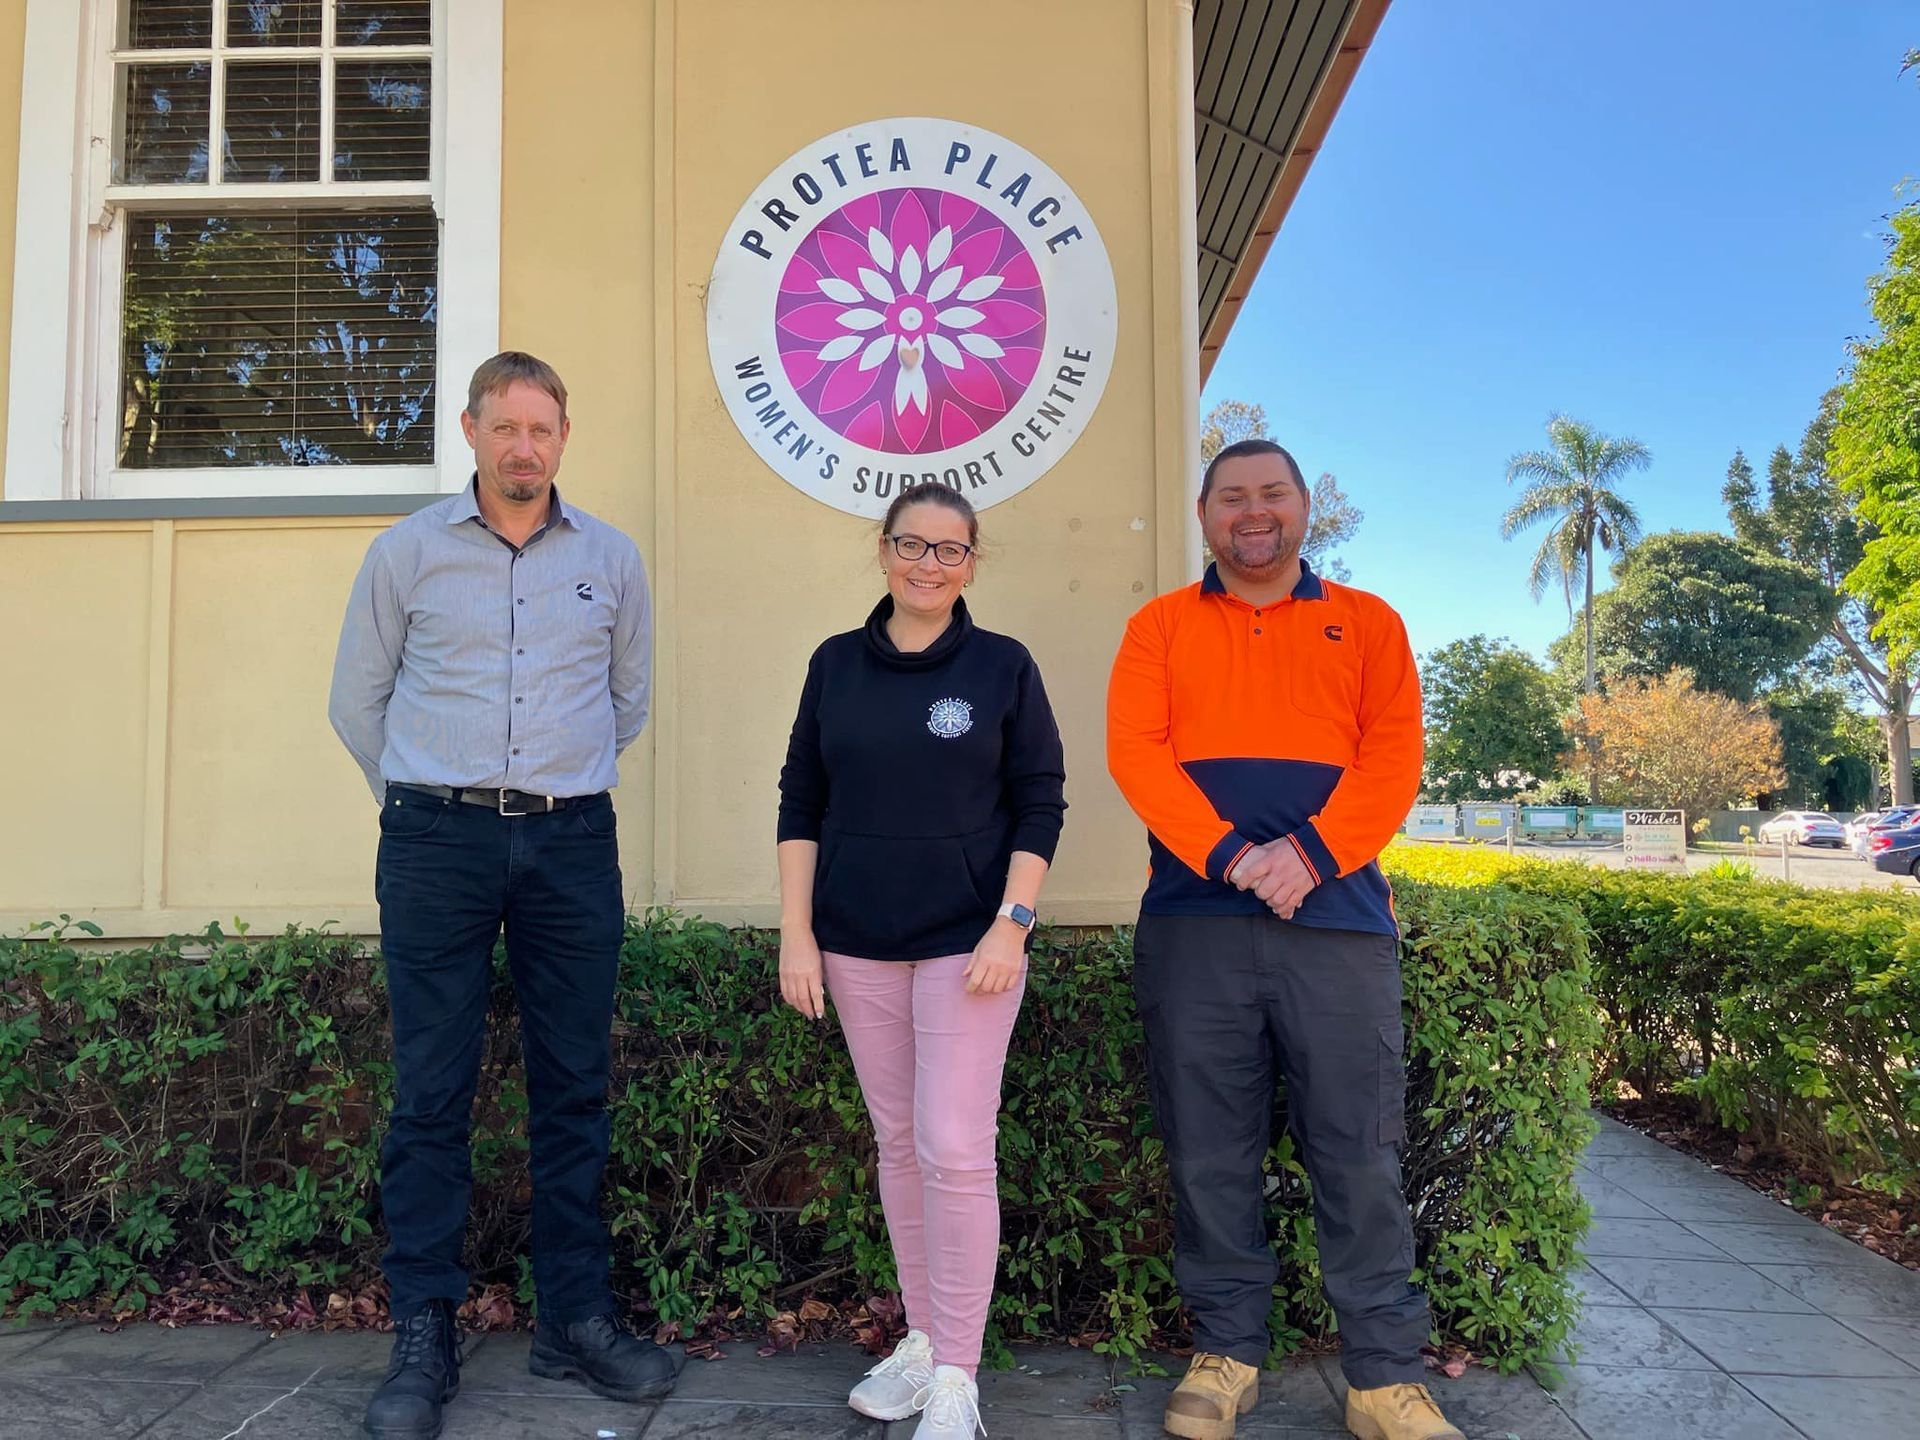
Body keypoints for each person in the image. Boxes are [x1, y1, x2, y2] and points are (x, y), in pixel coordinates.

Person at [329, 352, 676, 1440]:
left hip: (571, 843)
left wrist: (552, 782)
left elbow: (626, 702)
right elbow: (357, 701)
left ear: (564, 437)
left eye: (543, 428)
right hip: (437, 841)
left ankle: (574, 1317)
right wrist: (426, 799)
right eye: (506, 427)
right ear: (471, 430)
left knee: (573, 1088)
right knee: (430, 1093)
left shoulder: (610, 559)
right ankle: (423, 1333)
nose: (525, 447)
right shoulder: (407, 553)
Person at [1106, 439, 1462, 1440]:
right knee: (1208, 1151)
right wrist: (1232, 856)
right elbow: (1137, 754)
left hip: (1339, 929)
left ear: (1306, 508)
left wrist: (1310, 854)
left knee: (1359, 1154)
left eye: (1272, 494)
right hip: (1195, 929)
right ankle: (1227, 1355)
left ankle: (1384, 1379)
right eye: (1231, 497)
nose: (1252, 512)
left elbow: (1393, 757)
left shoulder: (1369, 623)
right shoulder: (1159, 627)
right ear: (1204, 515)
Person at [775, 483, 1067, 1440]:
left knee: (954, 1147)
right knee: (899, 1145)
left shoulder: (1003, 666)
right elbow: (800, 800)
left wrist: (1012, 922)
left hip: (968, 947)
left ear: (972, 563)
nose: (928, 564)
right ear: (884, 549)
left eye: (950, 550)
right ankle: (925, 1337)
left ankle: (957, 1377)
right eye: (912, 545)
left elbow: (1041, 801)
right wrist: (798, 931)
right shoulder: (834, 664)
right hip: (856, 944)